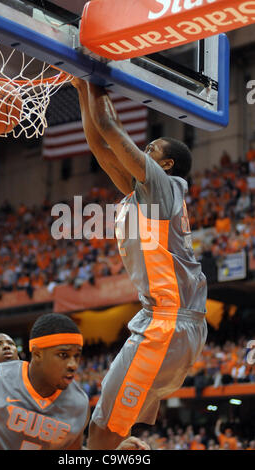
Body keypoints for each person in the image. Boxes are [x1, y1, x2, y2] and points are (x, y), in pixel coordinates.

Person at [72, 78, 208, 450]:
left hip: (167, 325)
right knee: (112, 433)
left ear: (165, 164)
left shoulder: (164, 186)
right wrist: (81, 88)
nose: (141, 151)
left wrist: (93, 75)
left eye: (151, 148)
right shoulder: (142, 194)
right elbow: (100, 145)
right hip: (169, 322)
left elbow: (110, 128)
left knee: (99, 434)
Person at [0, 313, 147, 450]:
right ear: (36, 354)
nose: (73, 364)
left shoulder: (78, 404)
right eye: (63, 355)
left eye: (77, 356)